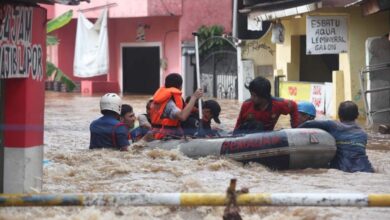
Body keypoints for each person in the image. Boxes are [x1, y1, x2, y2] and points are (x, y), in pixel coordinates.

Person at [299, 101, 374, 173]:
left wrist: (293, 131)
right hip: (366, 168)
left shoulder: (334, 126)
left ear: (339, 115)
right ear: (357, 115)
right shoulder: (363, 133)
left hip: (344, 168)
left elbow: (308, 123)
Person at [233, 76, 299, 134]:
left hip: (266, 137)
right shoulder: (246, 105)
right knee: (257, 125)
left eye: (254, 95)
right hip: (247, 135)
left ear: (264, 96)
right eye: (251, 94)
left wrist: (295, 128)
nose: (251, 98)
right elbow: (237, 128)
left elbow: (293, 106)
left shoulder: (278, 104)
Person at [149, 73, 203, 139]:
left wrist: (196, 110)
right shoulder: (169, 104)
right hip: (163, 137)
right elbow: (182, 116)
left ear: (165, 84)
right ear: (180, 86)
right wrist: (194, 97)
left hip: (155, 133)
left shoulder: (156, 99)